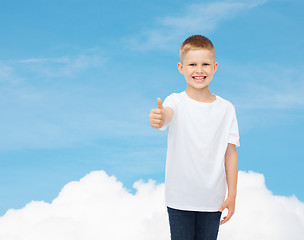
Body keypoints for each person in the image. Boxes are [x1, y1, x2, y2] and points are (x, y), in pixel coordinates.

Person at [149, 35, 240, 240]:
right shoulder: (176, 101)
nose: (199, 70)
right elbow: (167, 115)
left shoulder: (226, 108)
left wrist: (232, 195)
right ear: (181, 68)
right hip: (179, 198)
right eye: (192, 64)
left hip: (213, 200)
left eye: (205, 64)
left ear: (215, 67)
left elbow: (230, 154)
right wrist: (160, 117)